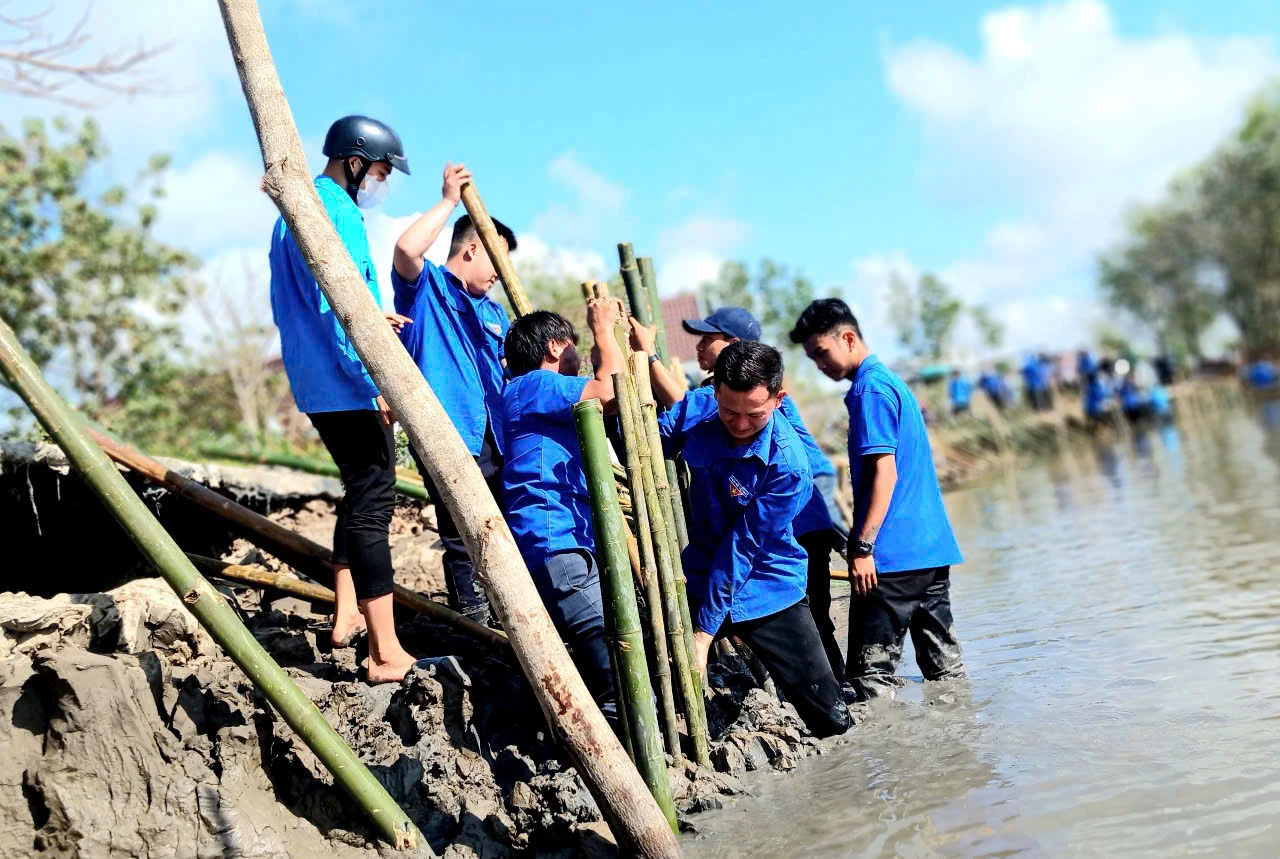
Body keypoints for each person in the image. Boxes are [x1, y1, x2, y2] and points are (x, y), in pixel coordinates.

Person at [269, 115, 416, 682]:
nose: (380, 181)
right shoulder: (337, 211)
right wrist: (373, 377)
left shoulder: (294, 214)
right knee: (375, 498)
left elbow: (312, 302)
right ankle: (384, 651)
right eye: (379, 170)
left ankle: (347, 613)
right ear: (354, 161)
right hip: (346, 377)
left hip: (315, 378)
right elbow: (340, 307)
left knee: (359, 490)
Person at [632, 308, 849, 681]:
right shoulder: (713, 401)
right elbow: (676, 419)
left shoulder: (773, 427)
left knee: (809, 614)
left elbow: (744, 545)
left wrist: (649, 357)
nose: (699, 346)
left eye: (708, 338)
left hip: (801, 514)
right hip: (755, 521)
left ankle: (834, 685)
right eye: (730, 412)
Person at [790, 298, 965, 700]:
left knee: (871, 679)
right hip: (931, 552)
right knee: (948, 677)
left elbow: (886, 473)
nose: (820, 365)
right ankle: (964, 755)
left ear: (847, 338)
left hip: (890, 559)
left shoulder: (870, 390)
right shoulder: (889, 382)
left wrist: (863, 546)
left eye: (821, 353)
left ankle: (890, 761)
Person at [390, 164, 516, 626]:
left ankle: (510, 613)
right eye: (497, 261)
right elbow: (406, 248)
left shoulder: (495, 312)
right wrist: (448, 201)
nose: (502, 275)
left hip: (494, 436)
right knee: (461, 533)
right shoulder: (427, 289)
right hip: (446, 432)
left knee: (503, 526)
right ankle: (474, 619)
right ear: (472, 248)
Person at [500, 301, 626, 721]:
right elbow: (609, 393)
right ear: (555, 347)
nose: (578, 355)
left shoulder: (530, 393)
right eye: (573, 345)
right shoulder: (534, 383)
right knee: (612, 660)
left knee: (610, 655)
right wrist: (603, 329)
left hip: (565, 542)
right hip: (555, 543)